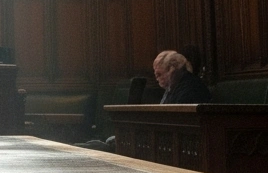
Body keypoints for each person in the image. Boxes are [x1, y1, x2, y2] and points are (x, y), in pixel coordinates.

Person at [75, 49, 212, 152]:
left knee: (105, 146)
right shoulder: (175, 85)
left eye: (159, 74)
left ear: (172, 69)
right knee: (104, 144)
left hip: (180, 144)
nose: (157, 79)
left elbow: (173, 122)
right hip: (165, 138)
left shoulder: (190, 88)